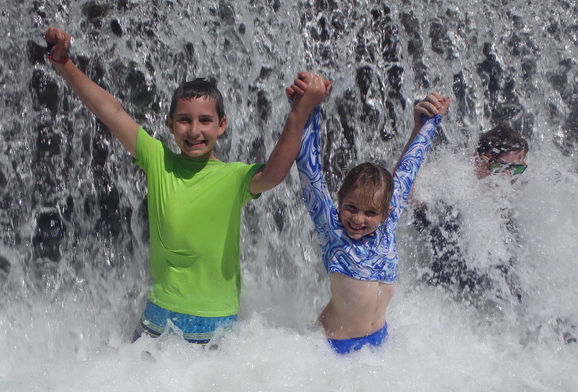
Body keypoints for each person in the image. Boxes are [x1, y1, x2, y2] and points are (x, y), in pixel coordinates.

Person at [43, 27, 327, 345]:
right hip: (160, 319)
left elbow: (274, 175)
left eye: (205, 120)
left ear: (221, 125)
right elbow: (112, 112)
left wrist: (299, 112)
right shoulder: (158, 160)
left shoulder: (234, 177)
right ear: (170, 125)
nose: (194, 131)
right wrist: (63, 63)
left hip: (217, 323)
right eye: (184, 120)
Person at [284, 72, 450, 354]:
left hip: (378, 346)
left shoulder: (387, 224)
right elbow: (310, 172)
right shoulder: (333, 229)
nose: (358, 219)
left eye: (370, 212)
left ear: (386, 211)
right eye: (351, 208)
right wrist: (308, 108)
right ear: (339, 202)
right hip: (332, 350)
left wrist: (430, 122)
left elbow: (409, 167)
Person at [412, 124, 529, 304]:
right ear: (477, 159)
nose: (506, 176)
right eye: (498, 166)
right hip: (446, 303)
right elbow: (405, 192)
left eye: (515, 169)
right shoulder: (450, 196)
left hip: (500, 308)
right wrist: (419, 130)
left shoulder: (523, 205)